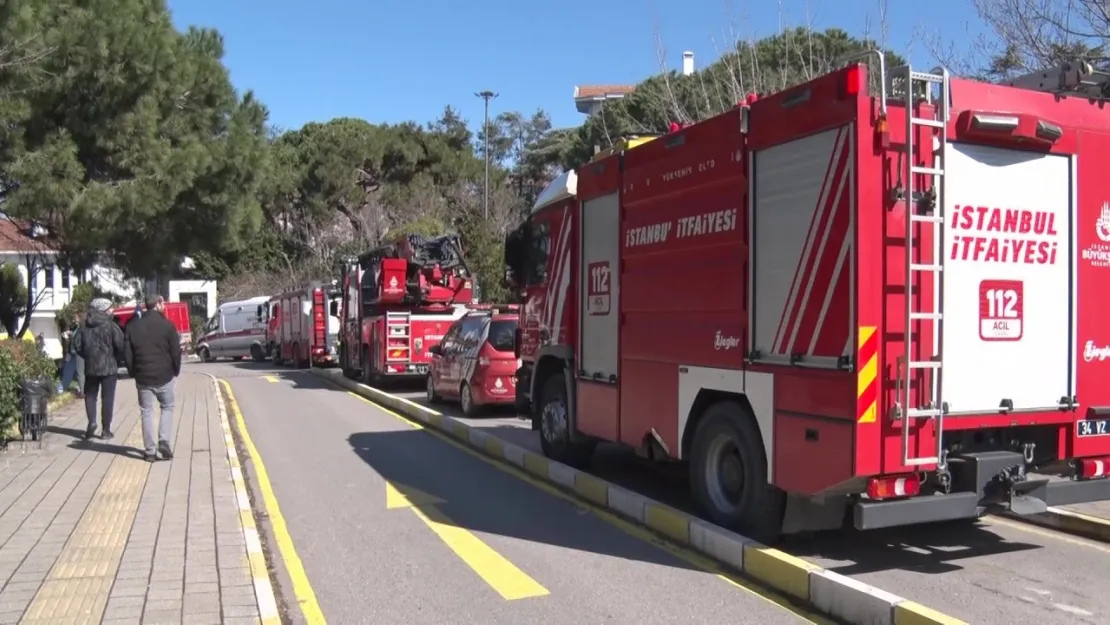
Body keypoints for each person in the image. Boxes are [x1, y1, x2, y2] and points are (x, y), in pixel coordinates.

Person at [124, 294, 181, 462]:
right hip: (165, 375)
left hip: (143, 377)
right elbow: (175, 352)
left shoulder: (132, 327)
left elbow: (128, 354)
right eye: (163, 303)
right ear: (158, 304)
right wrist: (175, 370)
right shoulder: (167, 326)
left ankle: (149, 451)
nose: (164, 305)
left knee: (146, 412)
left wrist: (133, 372)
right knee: (168, 406)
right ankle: (164, 442)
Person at [71, 298, 125, 441]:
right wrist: (115, 358)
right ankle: (106, 430)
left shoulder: (84, 326)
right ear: (104, 310)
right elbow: (120, 345)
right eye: (110, 308)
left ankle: (92, 422)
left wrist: (88, 356)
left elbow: (76, 345)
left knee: (90, 396)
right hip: (109, 368)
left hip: (91, 367)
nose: (112, 310)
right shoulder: (111, 326)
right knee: (107, 398)